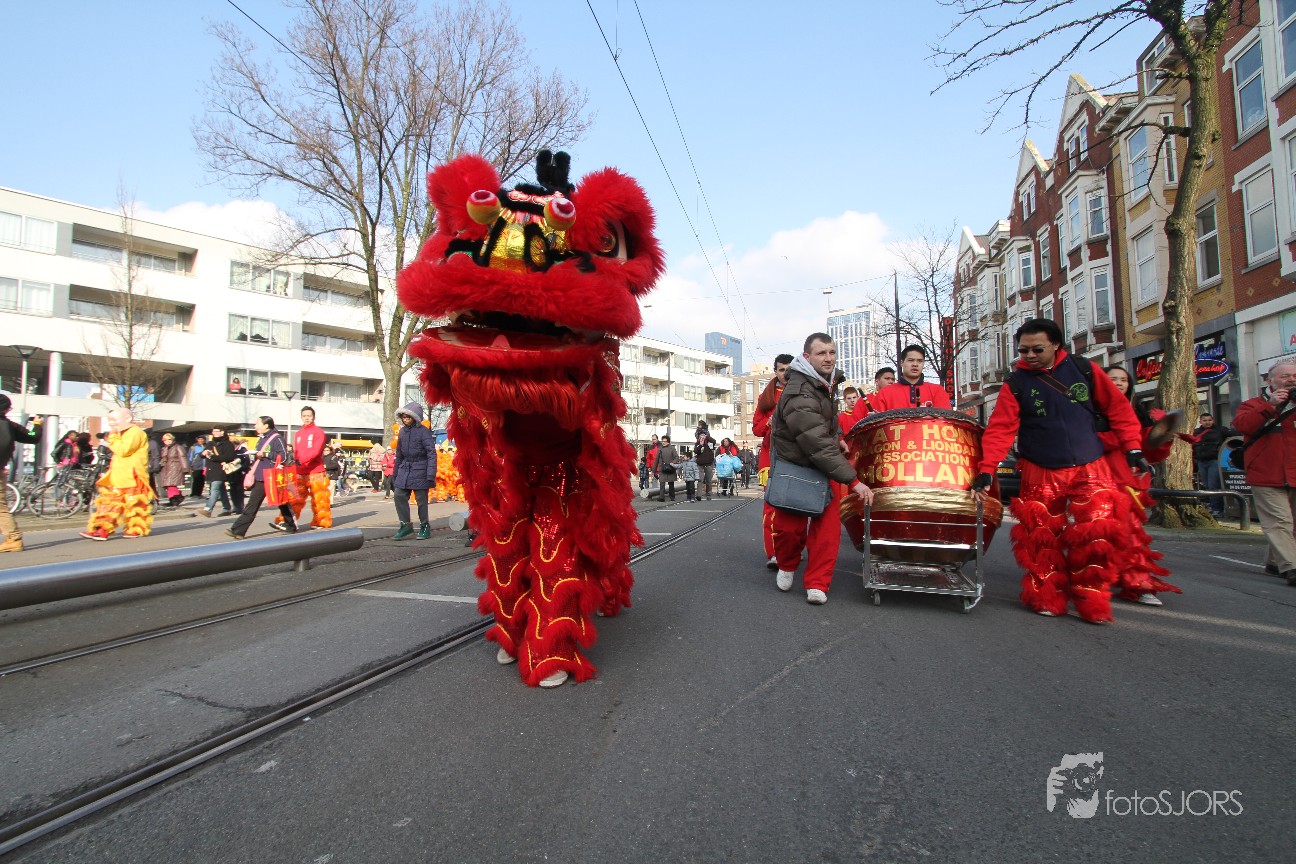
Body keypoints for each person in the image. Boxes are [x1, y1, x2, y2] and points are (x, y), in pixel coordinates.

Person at [970, 319, 1146, 623]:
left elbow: (1118, 409)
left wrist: (1133, 447)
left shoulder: (1085, 370)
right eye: (1023, 350)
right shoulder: (1016, 383)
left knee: (1095, 538)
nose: (1029, 355)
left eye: (1037, 349)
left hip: (1090, 466)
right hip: (1040, 468)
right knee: (1041, 540)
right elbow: (1000, 429)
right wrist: (987, 469)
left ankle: (1093, 600)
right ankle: (1047, 597)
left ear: (1055, 345)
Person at [769, 333, 874, 605]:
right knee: (789, 530)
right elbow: (815, 441)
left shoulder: (825, 382)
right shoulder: (798, 391)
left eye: (831, 352)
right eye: (821, 353)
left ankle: (817, 582)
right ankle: (787, 564)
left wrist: (837, 436)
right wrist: (853, 481)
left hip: (823, 466)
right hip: (797, 466)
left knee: (827, 530)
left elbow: (826, 421)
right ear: (807, 357)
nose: (828, 358)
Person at [1101, 365, 1181, 606]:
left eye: (1123, 380)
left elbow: (1150, 451)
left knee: (1132, 535)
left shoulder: (1138, 413)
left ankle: (1138, 583)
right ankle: (1096, 581)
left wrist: (1163, 436)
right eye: (1112, 378)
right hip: (1099, 479)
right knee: (1097, 533)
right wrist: (1122, 437)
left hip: (1130, 483)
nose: (1118, 383)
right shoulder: (1090, 412)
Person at [1232, 360, 1296, 586]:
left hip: (1293, 473)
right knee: (1279, 521)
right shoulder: (1253, 404)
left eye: (1295, 376)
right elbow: (1243, 426)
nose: (1291, 380)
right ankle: (1292, 567)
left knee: (1291, 523)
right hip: (1265, 474)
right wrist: (1270, 405)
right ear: (1269, 380)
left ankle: (1274, 562)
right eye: (1285, 376)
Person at [81, 408, 154, 540]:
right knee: (111, 503)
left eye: (114, 420)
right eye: (109, 420)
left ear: (128, 419)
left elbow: (123, 450)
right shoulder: (123, 433)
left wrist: (113, 437)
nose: (111, 423)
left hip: (133, 476)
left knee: (135, 504)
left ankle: (135, 529)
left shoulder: (135, 432)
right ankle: (102, 529)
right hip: (119, 476)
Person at [752, 353, 794, 567]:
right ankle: (774, 553)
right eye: (781, 369)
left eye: (789, 369)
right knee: (772, 508)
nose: (785, 373)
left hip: (797, 457)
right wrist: (769, 422)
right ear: (775, 371)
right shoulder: (766, 397)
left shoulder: (804, 391)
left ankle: (792, 549)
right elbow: (756, 429)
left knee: (795, 507)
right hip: (772, 458)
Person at [226, 416, 295, 539]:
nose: (255, 426)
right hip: (260, 476)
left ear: (266, 425)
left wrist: (265, 454)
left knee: (282, 502)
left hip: (272, 476)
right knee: (252, 504)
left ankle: (290, 525)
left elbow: (283, 456)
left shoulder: (277, 438)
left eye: (257, 424)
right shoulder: (261, 439)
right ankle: (238, 530)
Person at [852, 346, 951, 420]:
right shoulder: (885, 393)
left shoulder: (937, 390)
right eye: (911, 360)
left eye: (920, 361)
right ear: (902, 363)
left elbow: (945, 420)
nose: (915, 364)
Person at [276, 405, 332, 531]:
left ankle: (321, 521)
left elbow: (316, 451)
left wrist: (301, 460)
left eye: (309, 416)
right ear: (301, 417)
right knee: (294, 497)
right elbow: (296, 452)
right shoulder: (298, 434)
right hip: (300, 470)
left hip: (316, 470)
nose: (306, 418)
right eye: (304, 416)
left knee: (320, 498)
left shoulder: (319, 433)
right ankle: (285, 520)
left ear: (313, 417)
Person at [0, 395, 43, 552]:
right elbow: (33, 437)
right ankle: (13, 538)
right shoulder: (10, 426)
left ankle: (13, 537)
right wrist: (37, 425)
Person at [391, 402, 438, 539]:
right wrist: (395, 473)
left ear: (415, 417)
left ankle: (424, 525)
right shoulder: (402, 432)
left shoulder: (424, 431)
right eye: (403, 417)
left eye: (408, 417)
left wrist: (430, 474)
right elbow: (399, 454)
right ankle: (405, 525)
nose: (405, 419)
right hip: (405, 469)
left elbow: (431, 453)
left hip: (420, 469)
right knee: (399, 495)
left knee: (421, 500)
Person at [1191, 412, 1229, 516]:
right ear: (1200, 422)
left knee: (1213, 485)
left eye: (1209, 420)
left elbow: (1234, 434)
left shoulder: (1220, 430)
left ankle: (1217, 509)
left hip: (1214, 460)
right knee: (1207, 485)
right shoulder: (1196, 432)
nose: (1207, 422)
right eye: (1205, 420)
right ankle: (1213, 507)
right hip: (1201, 461)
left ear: (1213, 421)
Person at [198, 425, 239, 517]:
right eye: (213, 431)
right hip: (211, 469)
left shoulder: (227, 444)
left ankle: (208, 509)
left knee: (215, 489)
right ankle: (227, 508)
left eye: (217, 431)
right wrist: (203, 453)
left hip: (221, 469)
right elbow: (202, 455)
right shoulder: (210, 443)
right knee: (221, 490)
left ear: (222, 432)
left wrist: (214, 457)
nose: (214, 433)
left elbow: (229, 457)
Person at [157, 431, 191, 507]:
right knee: (169, 485)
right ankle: (175, 499)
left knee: (171, 484)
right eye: (165, 440)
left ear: (172, 439)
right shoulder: (164, 448)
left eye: (169, 439)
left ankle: (175, 499)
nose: (167, 441)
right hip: (166, 468)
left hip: (175, 467)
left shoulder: (178, 447)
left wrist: (185, 468)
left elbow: (183, 457)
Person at [654, 435, 679, 501]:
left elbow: (676, 457)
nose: (663, 442)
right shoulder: (660, 449)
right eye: (662, 441)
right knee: (662, 483)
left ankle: (672, 497)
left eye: (665, 441)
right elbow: (656, 459)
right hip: (662, 468)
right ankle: (661, 497)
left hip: (670, 468)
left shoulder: (672, 448)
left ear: (668, 442)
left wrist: (672, 463)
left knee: (671, 483)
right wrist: (653, 469)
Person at [694, 425, 717, 500]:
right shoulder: (697, 443)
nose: (702, 437)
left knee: (708, 480)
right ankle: (699, 495)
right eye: (701, 435)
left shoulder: (709, 442)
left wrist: (707, 437)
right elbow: (696, 451)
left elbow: (714, 441)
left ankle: (709, 494)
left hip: (708, 463)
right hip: (700, 464)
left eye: (703, 435)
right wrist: (700, 445)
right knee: (700, 479)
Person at [188, 435, 207, 500]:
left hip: (204, 467)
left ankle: (199, 493)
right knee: (196, 480)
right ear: (197, 440)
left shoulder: (206, 446)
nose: (201, 440)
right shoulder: (193, 447)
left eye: (202, 439)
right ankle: (194, 494)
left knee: (202, 481)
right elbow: (190, 457)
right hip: (196, 466)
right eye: (199, 439)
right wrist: (190, 466)